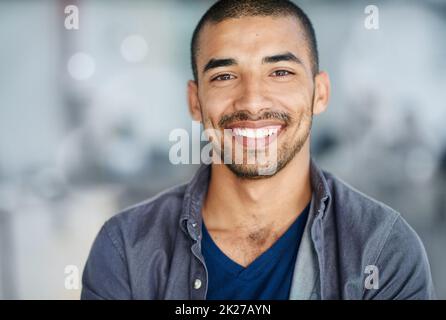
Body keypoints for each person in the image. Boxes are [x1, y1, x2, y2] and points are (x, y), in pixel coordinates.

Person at [81, 0, 435, 299]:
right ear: (195, 101)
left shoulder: (384, 250)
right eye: (224, 76)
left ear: (320, 93)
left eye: (280, 72)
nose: (252, 102)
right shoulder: (125, 248)